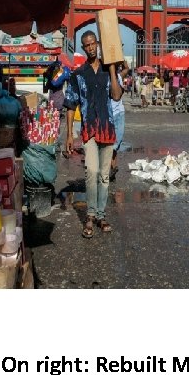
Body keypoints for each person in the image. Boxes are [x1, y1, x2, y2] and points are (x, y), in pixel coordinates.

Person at [64, 31, 123, 238]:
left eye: (92, 44)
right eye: (86, 45)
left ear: (98, 44)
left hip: (107, 128)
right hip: (89, 130)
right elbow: (71, 105)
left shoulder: (109, 72)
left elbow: (116, 96)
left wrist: (113, 67)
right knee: (92, 172)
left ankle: (101, 214)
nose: (90, 48)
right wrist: (69, 134)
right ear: (83, 47)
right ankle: (90, 215)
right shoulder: (78, 75)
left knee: (105, 176)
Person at [110, 63, 128, 181]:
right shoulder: (107, 77)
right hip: (109, 113)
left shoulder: (119, 76)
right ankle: (111, 168)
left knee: (116, 145)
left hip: (119, 113)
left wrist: (121, 59)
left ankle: (113, 168)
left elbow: (126, 68)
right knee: (111, 145)